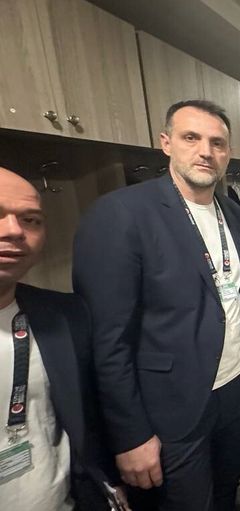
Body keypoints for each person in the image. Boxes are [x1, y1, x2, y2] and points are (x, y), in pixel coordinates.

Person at [73, 100, 240, 510]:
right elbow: (108, 340)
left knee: (227, 493)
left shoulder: (233, 214)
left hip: (235, 386)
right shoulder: (122, 213)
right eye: (191, 138)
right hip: (173, 402)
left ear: (228, 153)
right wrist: (130, 434)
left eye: (217, 143)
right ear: (166, 143)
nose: (205, 151)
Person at [0, 168, 124, 511]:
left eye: (30, 220)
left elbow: (89, 418)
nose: (14, 230)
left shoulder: (65, 315)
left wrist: (110, 483)